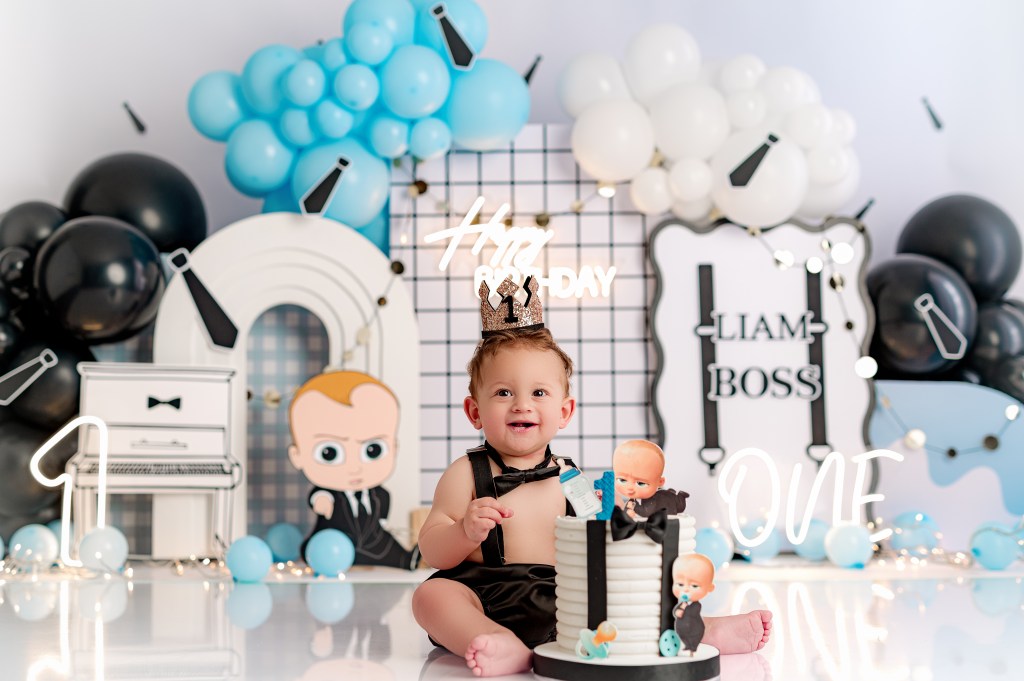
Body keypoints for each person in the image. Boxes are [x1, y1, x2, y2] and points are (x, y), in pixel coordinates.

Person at [412, 277, 771, 678]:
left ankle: (699, 629)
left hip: (564, 599)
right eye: (503, 393)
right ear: (474, 411)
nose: (521, 405)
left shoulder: (570, 477)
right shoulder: (466, 473)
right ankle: (495, 640)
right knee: (432, 594)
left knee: (622, 592)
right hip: (482, 594)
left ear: (565, 412)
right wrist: (463, 531)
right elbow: (433, 549)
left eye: (539, 393)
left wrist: (618, 522)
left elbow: (598, 534)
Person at [288, 370, 418, 570]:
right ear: (297, 456)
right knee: (321, 549)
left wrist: (383, 521)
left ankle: (407, 560)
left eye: (373, 450)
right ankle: (316, 556)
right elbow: (319, 496)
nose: (354, 467)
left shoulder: (379, 494)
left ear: (394, 448)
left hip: (373, 541)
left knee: (387, 545)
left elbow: (382, 508)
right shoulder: (327, 495)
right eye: (329, 453)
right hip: (334, 543)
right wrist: (321, 500)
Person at [613, 439, 689, 519]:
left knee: (678, 508)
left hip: (665, 518)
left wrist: (634, 507)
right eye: (622, 480)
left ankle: (681, 496)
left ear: (660, 482)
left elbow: (646, 512)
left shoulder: (653, 500)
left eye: (641, 483)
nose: (629, 487)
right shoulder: (630, 499)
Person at [672, 553, 716, 656]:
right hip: (682, 630)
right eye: (680, 584)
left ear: (710, 588)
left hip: (694, 630)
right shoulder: (682, 603)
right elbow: (677, 613)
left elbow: (691, 613)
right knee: (684, 638)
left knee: (692, 639)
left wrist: (683, 609)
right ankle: (688, 646)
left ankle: (692, 649)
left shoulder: (696, 605)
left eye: (694, 586)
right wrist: (679, 610)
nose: (686, 589)